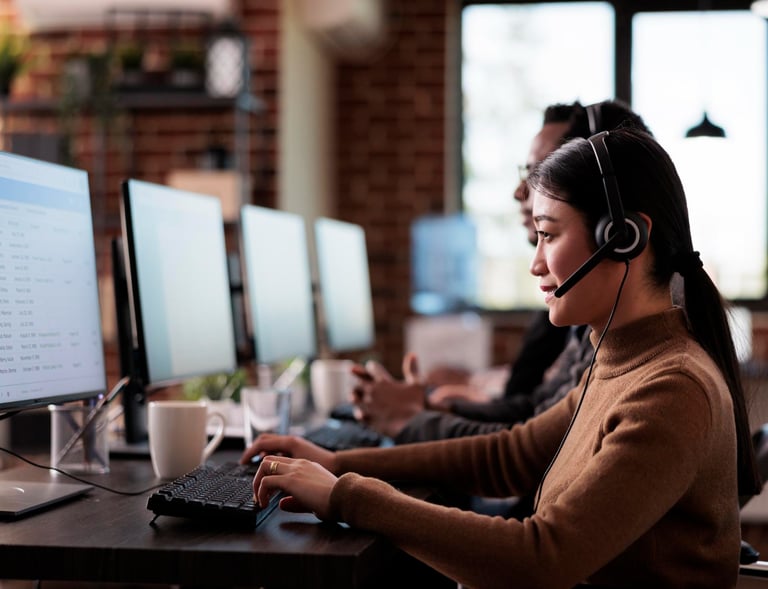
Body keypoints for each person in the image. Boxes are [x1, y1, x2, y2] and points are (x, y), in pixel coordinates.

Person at [243, 126, 761, 587]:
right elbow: (508, 457)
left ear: (622, 238)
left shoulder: (672, 389)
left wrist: (346, 496)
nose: (536, 263)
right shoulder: (621, 361)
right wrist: (335, 462)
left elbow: (544, 558)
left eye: (549, 235)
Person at [353, 100, 650, 444]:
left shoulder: (646, 358)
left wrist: (413, 419)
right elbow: (534, 419)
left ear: (615, 230)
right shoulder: (598, 320)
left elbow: (523, 451)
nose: (521, 192)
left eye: (542, 172)